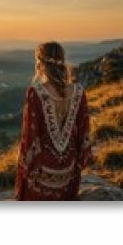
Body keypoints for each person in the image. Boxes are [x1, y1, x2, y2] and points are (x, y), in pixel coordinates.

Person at [15, 41, 92, 201]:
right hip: (68, 171)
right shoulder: (78, 91)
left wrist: (25, 168)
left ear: (41, 64)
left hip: (44, 170)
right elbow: (84, 132)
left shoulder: (35, 92)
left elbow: (29, 138)